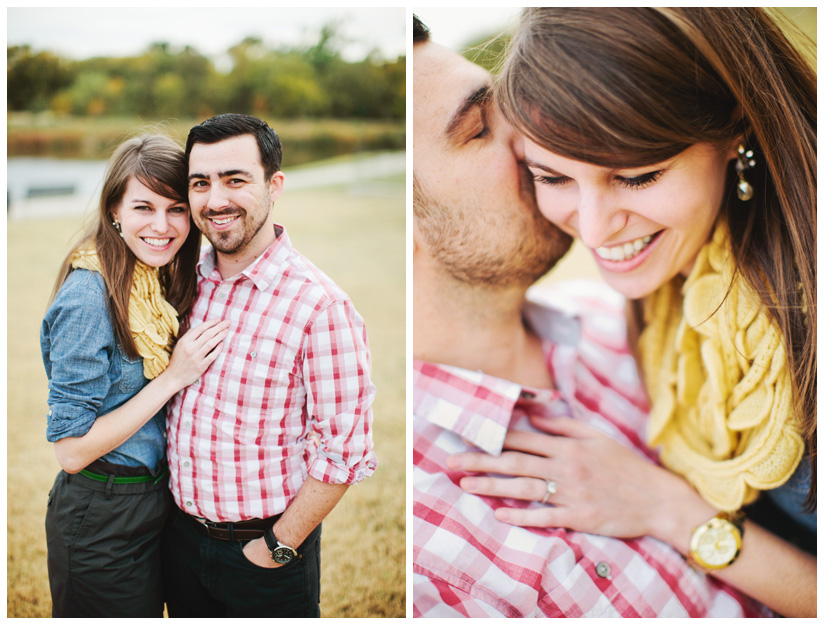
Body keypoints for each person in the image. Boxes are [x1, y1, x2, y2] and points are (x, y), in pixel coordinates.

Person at [451, 7, 816, 618]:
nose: (592, 229)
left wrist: (671, 511)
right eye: (552, 176)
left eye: (639, 176)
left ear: (737, 130)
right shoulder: (675, 295)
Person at [161, 113, 377, 618]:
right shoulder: (183, 283)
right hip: (177, 542)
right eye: (200, 183)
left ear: (274, 184)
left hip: (264, 554)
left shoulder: (320, 306)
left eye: (235, 180)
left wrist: (277, 547)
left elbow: (346, 451)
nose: (215, 200)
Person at [41, 134, 229, 617]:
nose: (163, 226)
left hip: (157, 503)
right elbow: (71, 450)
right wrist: (173, 377)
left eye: (177, 208)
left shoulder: (155, 278)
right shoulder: (89, 297)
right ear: (114, 211)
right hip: (102, 512)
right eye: (144, 207)